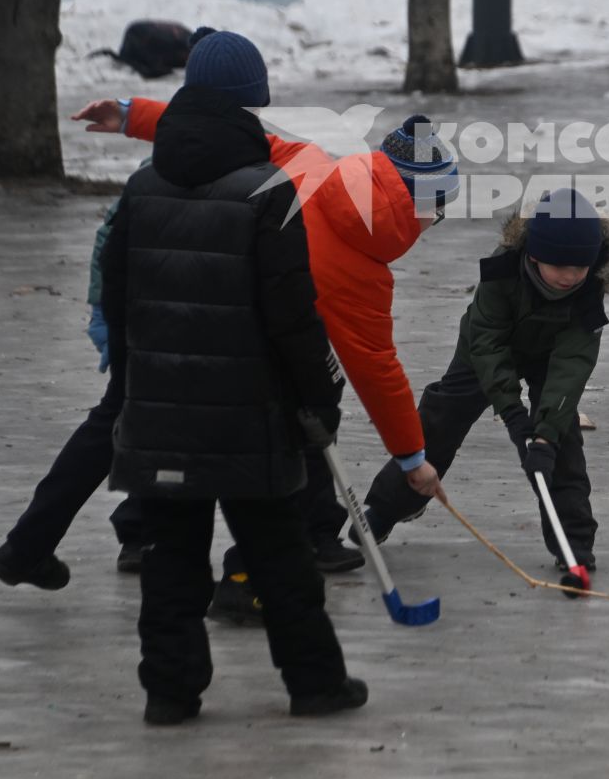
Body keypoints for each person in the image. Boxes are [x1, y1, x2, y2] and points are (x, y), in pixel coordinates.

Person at [97, 37, 365, 724]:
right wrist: (318, 401)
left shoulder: (141, 189)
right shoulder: (266, 194)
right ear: (251, 107)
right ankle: (315, 685)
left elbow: (119, 303)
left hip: (161, 413)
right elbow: (292, 315)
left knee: (170, 564)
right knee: (280, 560)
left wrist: (130, 394)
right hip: (250, 417)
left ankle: (169, 693)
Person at [101, 96, 451, 619]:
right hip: (257, 367)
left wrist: (133, 115)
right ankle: (244, 579)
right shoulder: (365, 279)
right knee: (271, 471)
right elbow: (379, 372)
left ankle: (157, 546)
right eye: (437, 215)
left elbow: (232, 131)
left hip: (189, 322)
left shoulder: (310, 163)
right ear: (421, 206)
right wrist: (413, 460)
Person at [362, 188, 609, 576]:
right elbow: (488, 347)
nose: (571, 276)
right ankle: (385, 510)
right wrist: (513, 417)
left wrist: (543, 437)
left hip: (549, 358)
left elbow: (571, 366)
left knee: (562, 441)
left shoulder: (588, 293)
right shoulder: (501, 272)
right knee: (443, 415)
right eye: (560, 266)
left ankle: (573, 546)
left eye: (580, 267)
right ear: (534, 256)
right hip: (484, 346)